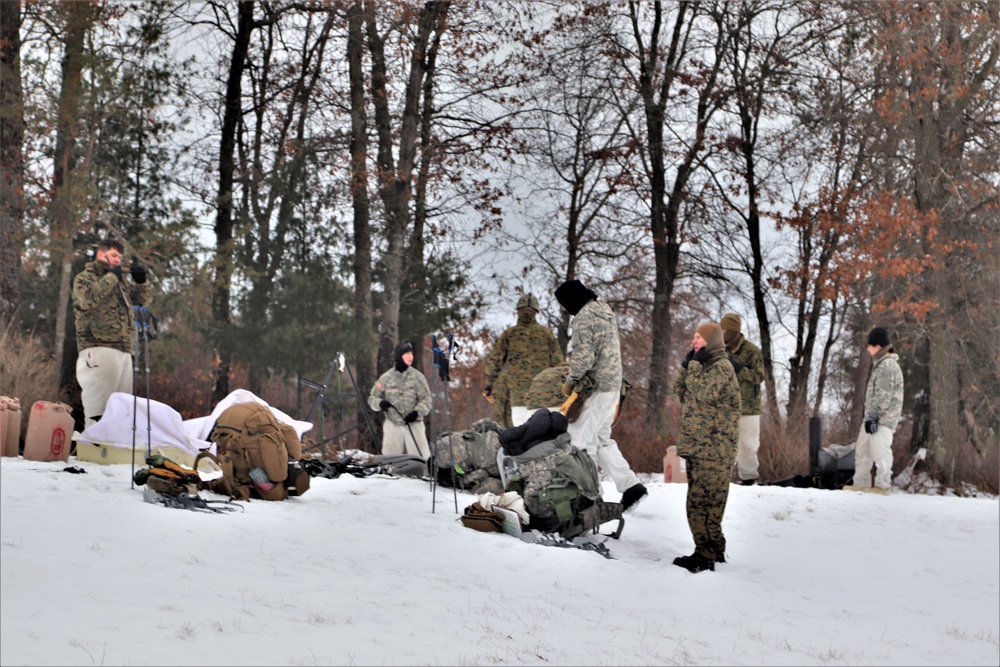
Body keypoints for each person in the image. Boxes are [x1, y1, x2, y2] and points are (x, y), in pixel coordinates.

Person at [553, 279, 647, 512]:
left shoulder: (584, 317)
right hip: (613, 387)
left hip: (595, 388)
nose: (565, 310)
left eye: (565, 305)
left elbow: (584, 357)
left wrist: (570, 382)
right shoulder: (605, 310)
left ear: (571, 301)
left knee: (580, 440)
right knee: (602, 439)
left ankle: (589, 497)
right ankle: (631, 485)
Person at [672, 322, 741, 573]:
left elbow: (702, 393)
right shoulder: (702, 366)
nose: (694, 341)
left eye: (699, 338)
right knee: (702, 501)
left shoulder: (721, 367)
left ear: (711, 341)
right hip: (698, 446)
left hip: (714, 450)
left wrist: (693, 365)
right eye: (694, 337)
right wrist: (686, 364)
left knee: (703, 503)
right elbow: (679, 391)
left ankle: (705, 553)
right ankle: (715, 548)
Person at [72, 236, 151, 429]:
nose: (118, 260)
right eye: (114, 255)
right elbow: (87, 300)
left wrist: (142, 282)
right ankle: (92, 450)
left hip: (123, 350)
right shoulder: (85, 278)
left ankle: (114, 453)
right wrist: (113, 276)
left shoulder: (120, 282)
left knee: (122, 410)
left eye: (119, 257)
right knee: (98, 407)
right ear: (101, 254)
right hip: (98, 348)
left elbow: (141, 300)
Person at [483, 293, 563, 428]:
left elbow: (495, 361)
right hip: (543, 396)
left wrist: (488, 386)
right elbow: (559, 365)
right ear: (536, 311)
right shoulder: (546, 334)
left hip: (518, 398)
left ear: (518, 311)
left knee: (522, 437)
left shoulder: (510, 334)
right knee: (544, 437)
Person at [843, 327, 904, 495]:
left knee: (880, 452)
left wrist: (874, 415)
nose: (867, 349)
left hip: (882, 419)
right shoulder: (880, 365)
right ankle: (861, 483)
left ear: (878, 346)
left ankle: (882, 486)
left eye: (870, 346)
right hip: (872, 417)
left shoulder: (887, 366)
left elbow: (884, 395)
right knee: (863, 450)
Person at [719, 312, 765, 485]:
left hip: (748, 408)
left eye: (723, 329)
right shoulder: (721, 351)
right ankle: (722, 478)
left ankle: (749, 478)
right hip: (726, 406)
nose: (721, 332)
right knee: (724, 444)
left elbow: (758, 377)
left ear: (732, 330)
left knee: (748, 445)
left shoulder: (752, 351)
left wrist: (739, 368)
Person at [369, 341, 433, 460]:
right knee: (390, 461)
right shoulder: (386, 377)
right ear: (399, 356)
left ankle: (422, 477)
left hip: (414, 424)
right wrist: (380, 403)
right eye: (406, 354)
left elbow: (427, 399)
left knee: (421, 459)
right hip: (393, 424)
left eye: (411, 353)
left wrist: (416, 412)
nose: (410, 357)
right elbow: (372, 398)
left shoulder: (417, 377)